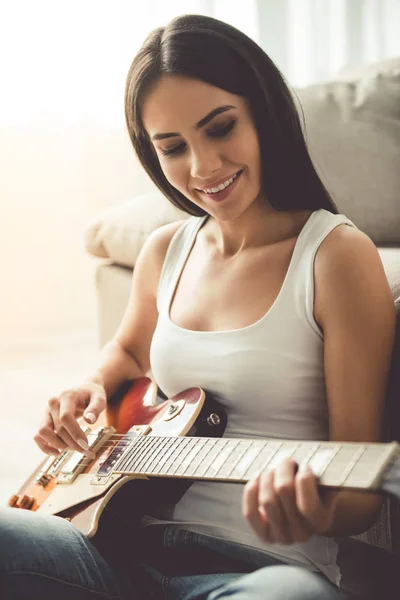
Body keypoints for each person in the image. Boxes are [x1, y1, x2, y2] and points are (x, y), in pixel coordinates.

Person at [0, 13, 396, 600]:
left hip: (253, 570)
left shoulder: (336, 257)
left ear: (263, 112)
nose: (203, 167)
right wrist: (88, 387)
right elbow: (130, 349)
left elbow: (360, 495)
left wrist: (311, 509)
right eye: (172, 147)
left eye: (220, 128)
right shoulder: (166, 249)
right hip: (113, 546)